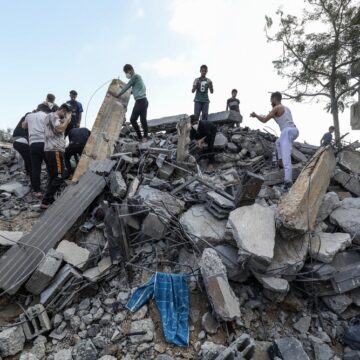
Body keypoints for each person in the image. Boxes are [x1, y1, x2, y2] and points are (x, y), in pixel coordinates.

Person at [250, 92, 299, 190]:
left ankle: (288, 181)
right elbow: (275, 117)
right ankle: (279, 161)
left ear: (274, 99)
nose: (270, 101)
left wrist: (255, 115)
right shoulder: (285, 108)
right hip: (293, 130)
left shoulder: (276, 108)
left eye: (271, 99)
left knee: (286, 156)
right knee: (278, 142)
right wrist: (271, 115)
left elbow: (264, 120)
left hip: (287, 131)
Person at [41, 104, 72, 209]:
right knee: (60, 176)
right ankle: (45, 200)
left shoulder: (49, 116)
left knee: (53, 177)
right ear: (63, 110)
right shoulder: (55, 116)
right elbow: (59, 129)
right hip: (55, 150)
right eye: (66, 114)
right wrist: (67, 120)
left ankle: (49, 200)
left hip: (49, 150)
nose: (66, 116)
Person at [109, 64, 149, 142]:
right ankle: (144, 137)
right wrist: (131, 92)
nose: (126, 74)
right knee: (142, 119)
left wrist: (117, 95)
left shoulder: (135, 77)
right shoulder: (138, 78)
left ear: (130, 70)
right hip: (143, 101)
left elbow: (126, 87)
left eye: (126, 72)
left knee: (134, 120)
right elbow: (133, 90)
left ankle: (142, 137)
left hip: (140, 101)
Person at [22, 104, 51, 197]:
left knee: (36, 168)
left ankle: (37, 190)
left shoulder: (29, 115)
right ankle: (50, 187)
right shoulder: (46, 116)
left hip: (33, 144)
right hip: (45, 143)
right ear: (45, 110)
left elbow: (23, 126)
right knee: (50, 166)